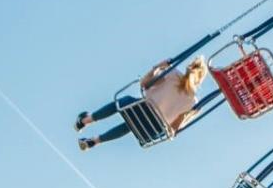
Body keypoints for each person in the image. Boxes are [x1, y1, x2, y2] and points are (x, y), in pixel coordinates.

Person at [75, 57, 208, 150]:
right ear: (200, 79)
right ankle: (94, 141)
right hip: (152, 129)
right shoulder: (194, 103)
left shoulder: (173, 74)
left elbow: (144, 84)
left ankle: (85, 120)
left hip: (141, 108)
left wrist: (156, 67)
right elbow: (175, 127)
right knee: (133, 125)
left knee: (124, 105)